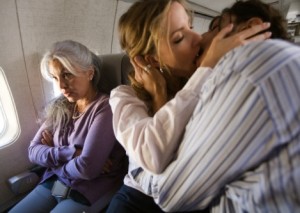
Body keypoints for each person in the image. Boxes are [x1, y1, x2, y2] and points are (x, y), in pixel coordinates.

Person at [106, 0, 274, 212]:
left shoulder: (211, 85)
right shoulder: (124, 97)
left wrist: (161, 98)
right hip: (136, 200)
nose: (199, 38)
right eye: (179, 38)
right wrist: (205, 69)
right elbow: (153, 156)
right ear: (153, 60)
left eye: (191, 27)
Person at [9, 40, 128, 213]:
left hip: (90, 189)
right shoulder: (61, 106)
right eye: (55, 78)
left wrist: (54, 154)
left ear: (90, 73)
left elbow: (87, 169)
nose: (61, 86)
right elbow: (33, 151)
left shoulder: (105, 108)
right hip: (55, 182)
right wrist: (73, 153)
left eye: (67, 75)